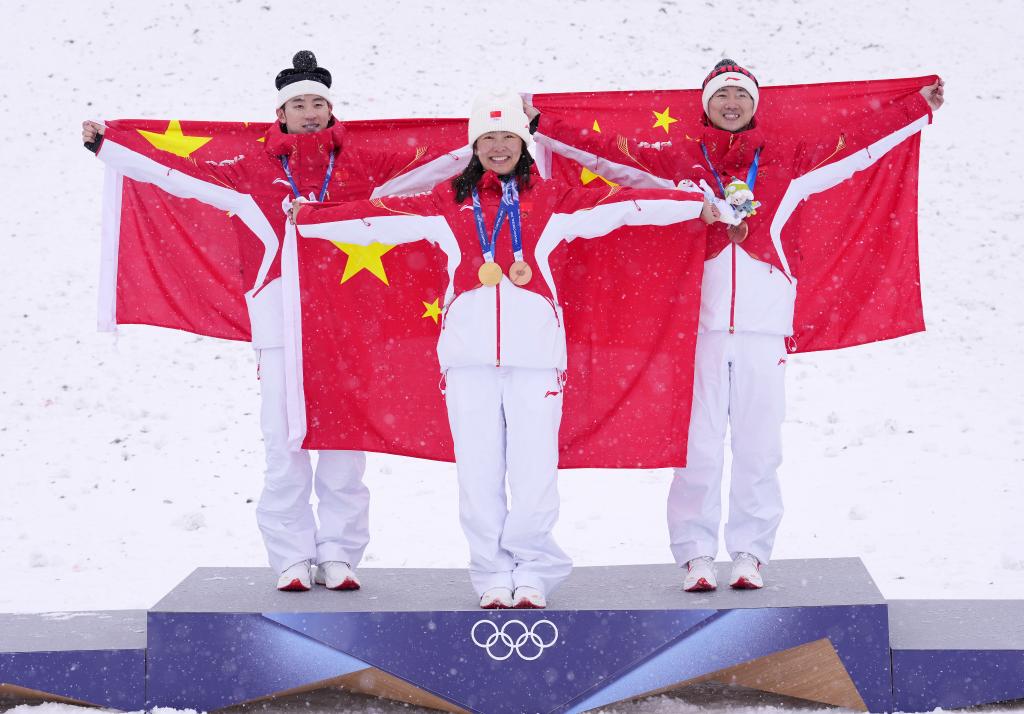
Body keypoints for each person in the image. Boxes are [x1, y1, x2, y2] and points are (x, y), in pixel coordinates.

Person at [291, 90, 731, 609]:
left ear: (523, 145)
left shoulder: (553, 199)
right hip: (467, 362)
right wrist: (309, 218)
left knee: (533, 476)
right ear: (474, 146)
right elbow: (375, 217)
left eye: (508, 137)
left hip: (537, 361)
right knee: (477, 478)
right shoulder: (446, 203)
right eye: (488, 138)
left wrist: (691, 204)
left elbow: (623, 209)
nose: (498, 147)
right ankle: (491, 575)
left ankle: (535, 571)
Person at [525, 60, 944, 591]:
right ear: (706, 106)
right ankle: (695, 554)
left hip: (763, 327)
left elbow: (854, 146)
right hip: (696, 326)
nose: (731, 103)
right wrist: (542, 124)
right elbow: (609, 155)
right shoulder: (677, 161)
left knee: (758, 447)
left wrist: (915, 109)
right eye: (721, 95)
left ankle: (750, 553)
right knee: (697, 447)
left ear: (753, 105)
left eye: (740, 95)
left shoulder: (788, 161)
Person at [82, 51, 432, 592]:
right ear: (281, 113)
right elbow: (180, 173)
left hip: (346, 325)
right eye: (300, 104)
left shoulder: (364, 168)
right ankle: (291, 556)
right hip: (279, 324)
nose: (310, 113)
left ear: (332, 109)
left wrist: (502, 129)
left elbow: (439, 162)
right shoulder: (252, 172)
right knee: (283, 446)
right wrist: (111, 145)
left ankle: (339, 555)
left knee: (344, 445)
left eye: (318, 103)